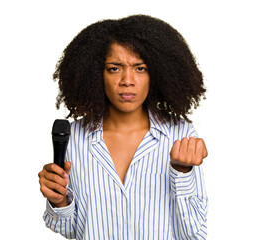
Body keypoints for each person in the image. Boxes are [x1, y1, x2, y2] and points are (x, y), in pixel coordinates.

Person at [38, 15, 208, 239]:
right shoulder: (75, 138)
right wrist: (59, 201)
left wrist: (182, 173)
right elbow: (71, 230)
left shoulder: (180, 135)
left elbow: (195, 232)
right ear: (96, 73)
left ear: (156, 73)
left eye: (140, 68)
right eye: (114, 69)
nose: (127, 80)